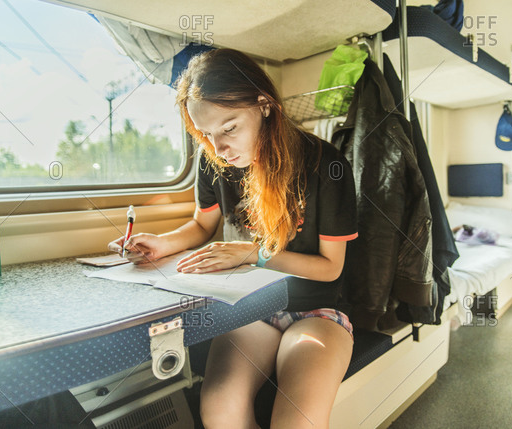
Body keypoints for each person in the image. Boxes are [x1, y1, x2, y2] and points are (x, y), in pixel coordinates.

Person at [109, 48, 358, 428]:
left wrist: (253, 255)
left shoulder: (325, 163)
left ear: (264, 105)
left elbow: (330, 269)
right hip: (249, 310)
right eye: (206, 135)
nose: (220, 148)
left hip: (315, 311)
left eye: (229, 128)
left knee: (298, 422)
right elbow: (200, 226)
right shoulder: (216, 162)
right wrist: (162, 243)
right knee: (220, 409)